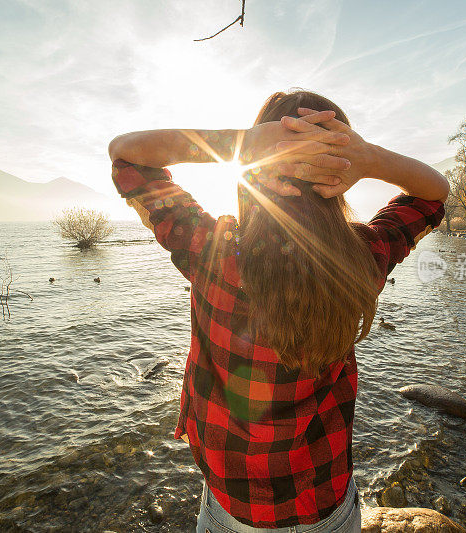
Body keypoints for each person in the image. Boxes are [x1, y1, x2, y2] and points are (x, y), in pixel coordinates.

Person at [109, 90, 448, 532]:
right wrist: (369, 158)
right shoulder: (364, 255)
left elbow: (126, 156)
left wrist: (240, 142)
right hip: (328, 505)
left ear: (258, 165)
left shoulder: (212, 250)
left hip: (234, 507)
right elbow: (433, 194)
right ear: (341, 174)